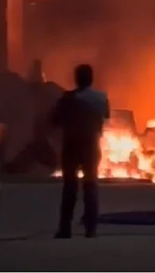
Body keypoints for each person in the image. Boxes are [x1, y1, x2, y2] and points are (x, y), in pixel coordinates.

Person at [52, 64, 109, 239]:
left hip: (71, 145)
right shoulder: (101, 97)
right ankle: (91, 229)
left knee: (69, 187)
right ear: (91, 79)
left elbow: (55, 120)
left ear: (76, 79)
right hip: (91, 145)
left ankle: (65, 229)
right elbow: (106, 116)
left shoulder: (67, 99)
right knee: (90, 186)